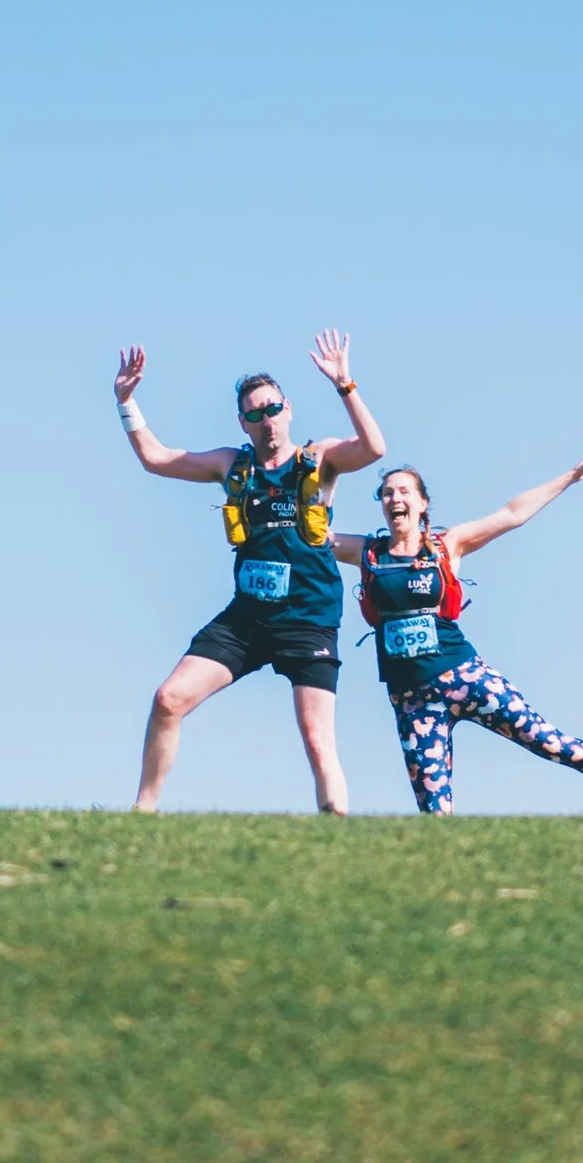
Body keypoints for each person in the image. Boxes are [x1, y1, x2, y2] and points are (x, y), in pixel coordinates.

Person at [333, 445, 583, 817]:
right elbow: (314, 536)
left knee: (547, 741)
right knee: (435, 814)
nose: (395, 498)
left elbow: (512, 514)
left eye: (405, 491)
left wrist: (569, 478)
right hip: (411, 699)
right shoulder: (368, 552)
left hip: (465, 676)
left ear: (422, 504)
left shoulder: (445, 545)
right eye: (388, 493)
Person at [114, 331, 386, 813]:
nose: (267, 421)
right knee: (167, 699)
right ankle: (142, 814)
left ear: (289, 409)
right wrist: (127, 401)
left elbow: (373, 449)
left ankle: (339, 837)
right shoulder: (231, 465)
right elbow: (156, 459)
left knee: (318, 739)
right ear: (243, 422)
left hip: (308, 617)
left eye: (273, 409)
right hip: (247, 619)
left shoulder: (318, 459)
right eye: (255, 414)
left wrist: (347, 387)